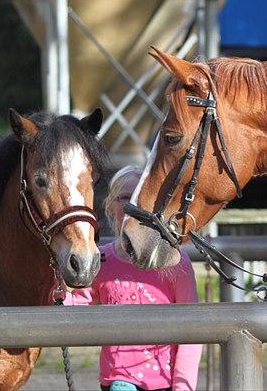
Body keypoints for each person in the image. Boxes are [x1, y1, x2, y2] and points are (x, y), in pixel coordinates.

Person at [66, 165, 202, 391]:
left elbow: (192, 330)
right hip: (119, 379)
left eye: (140, 197)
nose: (132, 206)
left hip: (166, 380)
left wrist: (182, 386)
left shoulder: (175, 263)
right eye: (125, 198)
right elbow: (78, 302)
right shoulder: (101, 259)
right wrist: (54, 290)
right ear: (110, 204)